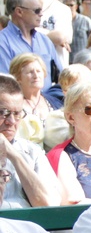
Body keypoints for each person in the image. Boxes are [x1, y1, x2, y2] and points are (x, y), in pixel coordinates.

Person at [0, 76, 60, 208]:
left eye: (17, 114)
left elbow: (49, 205)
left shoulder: (32, 152)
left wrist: (14, 156)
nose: (11, 121)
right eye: (3, 113)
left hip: (29, 226)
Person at [0, 0, 62, 93]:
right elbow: (6, 83)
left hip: (47, 103)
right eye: (37, 10)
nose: (41, 14)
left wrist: (52, 99)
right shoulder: (2, 42)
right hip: (18, 105)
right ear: (19, 12)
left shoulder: (44, 40)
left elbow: (61, 77)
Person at [24, 0, 72, 68]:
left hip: (55, 74)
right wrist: (49, 35)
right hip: (29, 73)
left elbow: (60, 37)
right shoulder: (22, 11)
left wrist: (30, 32)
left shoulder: (61, 9)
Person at [9, 53, 60, 145]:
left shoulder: (56, 102)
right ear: (18, 77)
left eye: (39, 71)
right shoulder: (13, 107)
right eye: (30, 72)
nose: (36, 76)